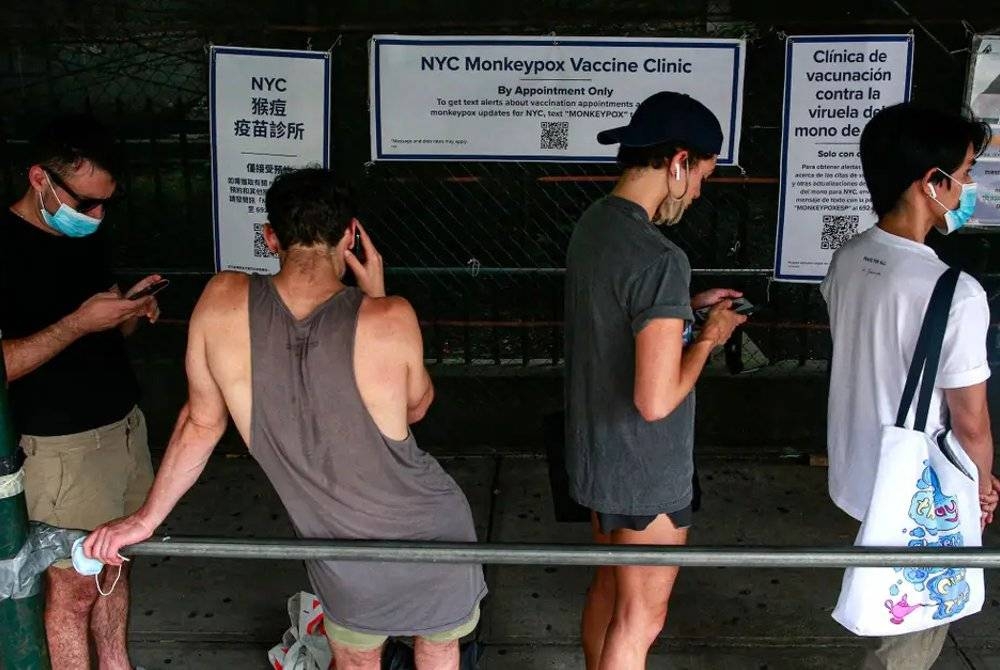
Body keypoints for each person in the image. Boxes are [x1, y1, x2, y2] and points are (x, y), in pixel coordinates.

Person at [85, 168, 487, 670]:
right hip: (433, 527)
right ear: (349, 237)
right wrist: (378, 296)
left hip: (337, 542)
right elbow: (415, 407)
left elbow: (201, 422)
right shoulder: (390, 315)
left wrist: (145, 520)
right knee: (439, 649)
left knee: (357, 660)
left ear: (270, 236)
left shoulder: (221, 299)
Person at [564, 91, 747, 670]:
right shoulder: (659, 256)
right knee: (642, 617)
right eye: (700, 178)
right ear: (677, 163)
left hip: (594, 452)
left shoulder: (594, 225)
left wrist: (682, 312)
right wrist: (709, 337)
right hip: (645, 468)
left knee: (609, 592)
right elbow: (656, 399)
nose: (696, 193)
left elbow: (614, 316)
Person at [821, 102, 1000, 670]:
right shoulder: (955, 292)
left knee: (884, 619)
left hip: (857, 475)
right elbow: (970, 421)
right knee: (907, 643)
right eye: (966, 172)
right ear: (933, 182)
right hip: (916, 497)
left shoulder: (847, 259)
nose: (970, 186)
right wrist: (981, 487)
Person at [0, 114, 161, 670]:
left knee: (117, 561)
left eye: (105, 204)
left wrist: (130, 311)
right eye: (86, 202)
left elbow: (101, 330)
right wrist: (76, 323)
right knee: (72, 590)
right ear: (39, 177)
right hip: (59, 449)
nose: (96, 216)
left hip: (122, 428)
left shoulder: (85, 235)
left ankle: (117, 663)